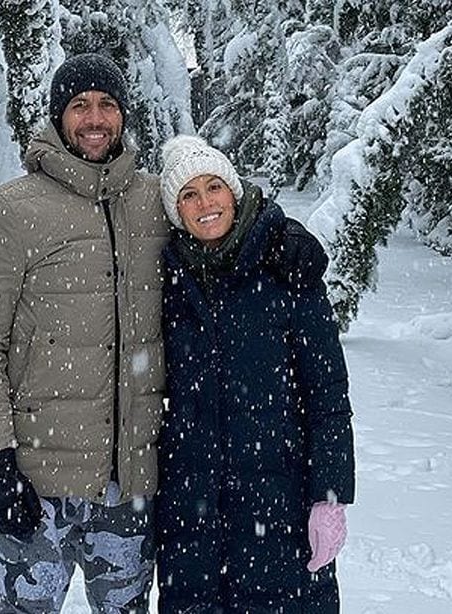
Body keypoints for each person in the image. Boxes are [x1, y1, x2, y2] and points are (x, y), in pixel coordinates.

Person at [0, 53, 167, 613]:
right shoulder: (9, 210)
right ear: (57, 116)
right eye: (79, 106)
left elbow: (217, 216)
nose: (95, 119)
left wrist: (278, 238)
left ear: (123, 116)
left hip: (129, 488)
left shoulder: (153, 201)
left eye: (107, 105)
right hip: (35, 487)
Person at [155, 135, 356, 613]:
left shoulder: (287, 269)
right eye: (188, 195)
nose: (205, 203)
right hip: (192, 513)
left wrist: (330, 496)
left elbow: (328, 396)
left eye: (214, 186)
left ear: (235, 191)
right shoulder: (167, 282)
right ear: (175, 211)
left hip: (279, 506)